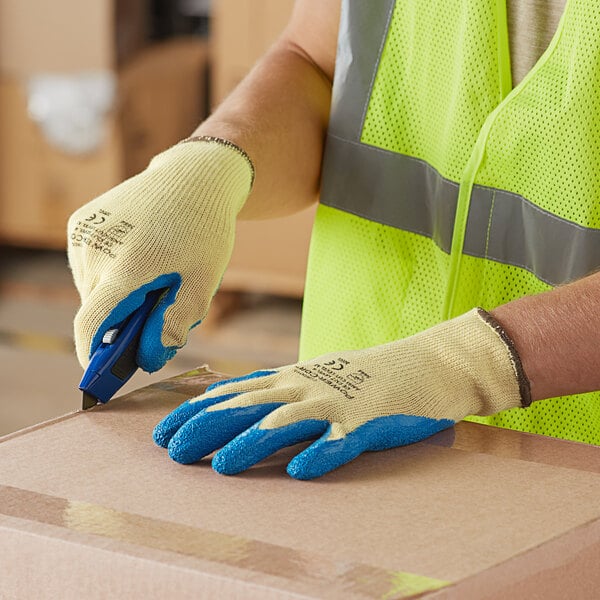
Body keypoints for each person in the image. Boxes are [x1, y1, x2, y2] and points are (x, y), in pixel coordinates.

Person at [68, 0, 600, 480]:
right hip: (343, 431)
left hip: (573, 473)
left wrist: (464, 364)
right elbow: (317, 61)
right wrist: (207, 168)